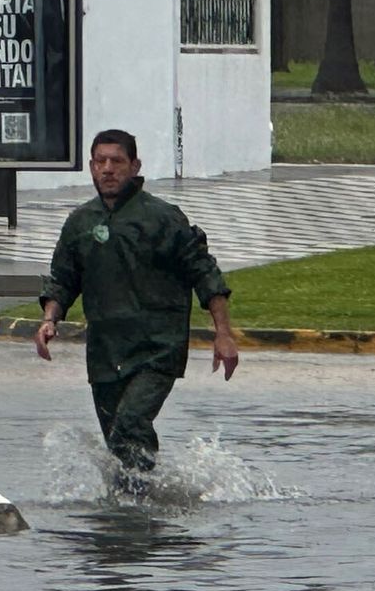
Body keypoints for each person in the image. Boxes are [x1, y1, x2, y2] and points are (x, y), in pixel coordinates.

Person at [34, 128, 239, 489]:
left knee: (130, 423)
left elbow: (204, 272)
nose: (108, 169)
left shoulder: (162, 218)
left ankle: (142, 509)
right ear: (91, 167)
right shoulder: (80, 223)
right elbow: (62, 279)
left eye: (117, 161)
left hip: (157, 347)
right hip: (106, 352)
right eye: (101, 162)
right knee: (117, 442)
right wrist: (49, 320)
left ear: (135, 166)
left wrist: (223, 334)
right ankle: (137, 510)